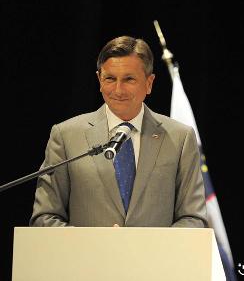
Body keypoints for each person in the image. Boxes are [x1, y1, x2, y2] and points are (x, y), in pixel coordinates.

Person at [30, 35, 207, 228]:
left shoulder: (180, 138)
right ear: (99, 79)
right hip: (87, 258)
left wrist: (148, 248)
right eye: (110, 79)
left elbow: (193, 219)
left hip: (153, 258)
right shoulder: (65, 136)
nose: (118, 90)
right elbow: (45, 218)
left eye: (129, 79)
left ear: (149, 83)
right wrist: (96, 245)